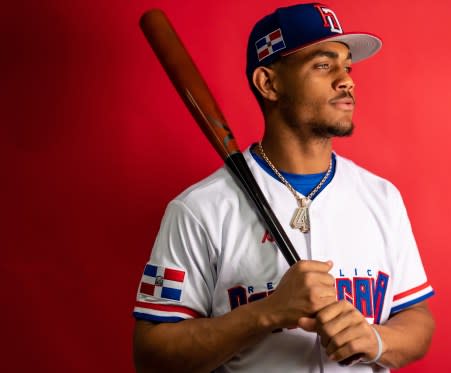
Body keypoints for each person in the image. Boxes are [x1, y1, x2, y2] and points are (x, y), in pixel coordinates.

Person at [133, 3, 435, 372]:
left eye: (347, 66)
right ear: (269, 83)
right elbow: (153, 355)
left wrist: (377, 340)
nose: (347, 80)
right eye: (324, 65)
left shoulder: (381, 197)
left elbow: (417, 318)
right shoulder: (201, 208)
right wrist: (268, 312)